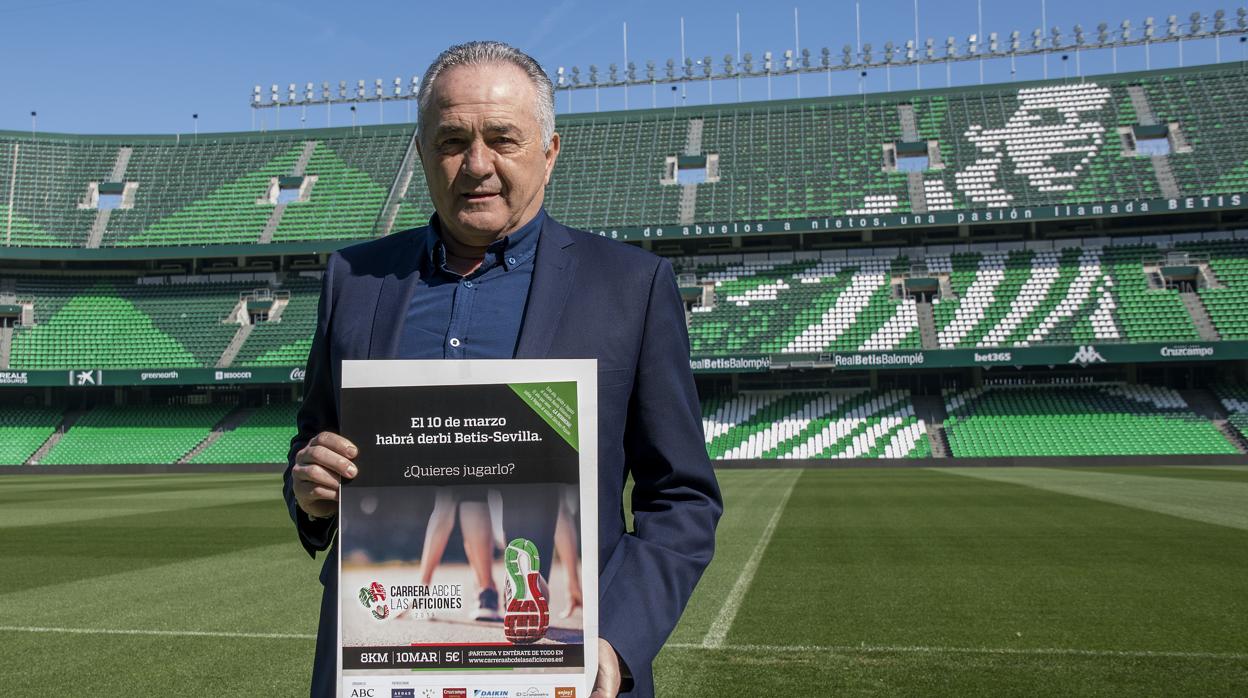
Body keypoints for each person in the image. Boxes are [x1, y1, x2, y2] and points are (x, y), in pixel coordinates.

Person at [283, 40, 722, 698]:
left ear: (549, 151)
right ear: (422, 151)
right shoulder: (356, 279)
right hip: (383, 663)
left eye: (502, 138)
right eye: (452, 140)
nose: (476, 165)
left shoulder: (630, 287)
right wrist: (308, 488)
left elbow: (682, 496)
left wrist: (616, 641)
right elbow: (315, 441)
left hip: (560, 666)